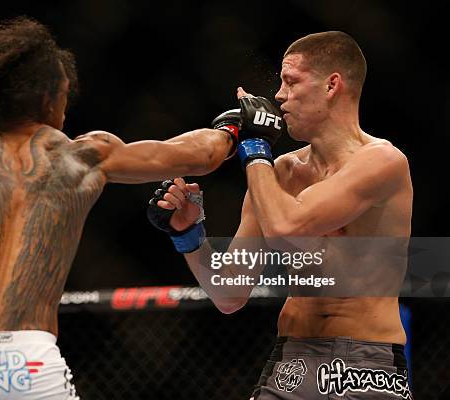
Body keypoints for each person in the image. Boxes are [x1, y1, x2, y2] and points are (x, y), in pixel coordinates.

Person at [0, 16, 238, 400]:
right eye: (65, 94)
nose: (66, 109)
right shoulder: (83, 156)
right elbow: (199, 155)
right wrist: (235, 129)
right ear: (48, 97)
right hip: (31, 364)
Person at [148, 31, 414, 399]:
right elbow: (229, 293)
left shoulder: (383, 162)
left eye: (291, 81)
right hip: (290, 362)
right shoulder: (280, 174)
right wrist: (189, 234)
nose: (278, 96)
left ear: (332, 84)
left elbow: (288, 225)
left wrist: (255, 150)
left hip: (365, 368)